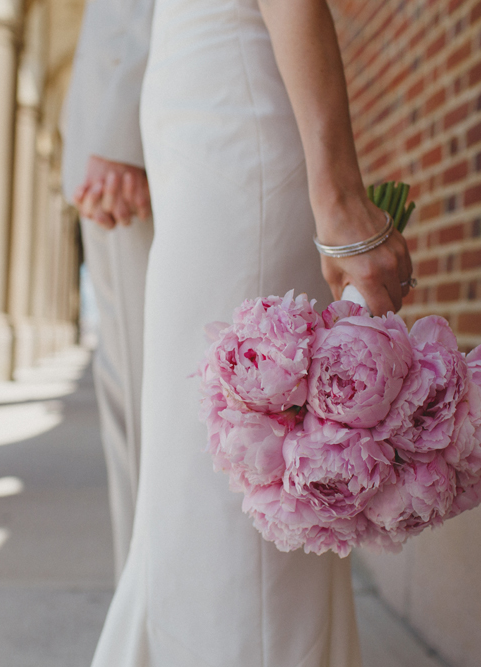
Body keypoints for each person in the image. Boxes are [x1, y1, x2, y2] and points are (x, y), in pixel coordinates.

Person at [89, 0, 413, 665]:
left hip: (234, 131)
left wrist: (338, 193)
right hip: (195, 120)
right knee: (191, 479)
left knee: (232, 488)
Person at [59, 0, 156, 583]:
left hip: (127, 150)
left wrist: (121, 132)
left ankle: (152, 607)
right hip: (107, 138)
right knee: (126, 388)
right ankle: (142, 605)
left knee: (146, 399)